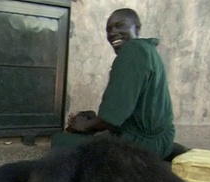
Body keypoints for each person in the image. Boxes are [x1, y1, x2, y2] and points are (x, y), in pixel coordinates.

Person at [52, 8, 188, 161]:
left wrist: (83, 126)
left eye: (119, 26)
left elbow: (112, 117)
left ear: (136, 28)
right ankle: (168, 150)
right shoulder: (149, 50)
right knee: (90, 116)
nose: (112, 33)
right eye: (109, 29)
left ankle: (145, 159)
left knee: (60, 141)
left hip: (141, 146)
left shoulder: (132, 51)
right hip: (164, 138)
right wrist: (90, 121)